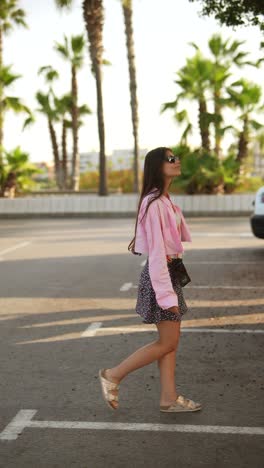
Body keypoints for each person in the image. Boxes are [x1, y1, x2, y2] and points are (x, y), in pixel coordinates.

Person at [99, 147, 202, 413]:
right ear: (157, 165)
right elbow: (156, 253)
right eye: (171, 158)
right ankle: (113, 374)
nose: (177, 161)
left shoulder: (164, 199)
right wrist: (167, 297)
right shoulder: (155, 203)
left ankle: (169, 398)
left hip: (169, 273)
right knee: (168, 342)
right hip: (161, 277)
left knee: (170, 342)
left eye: (176, 157)